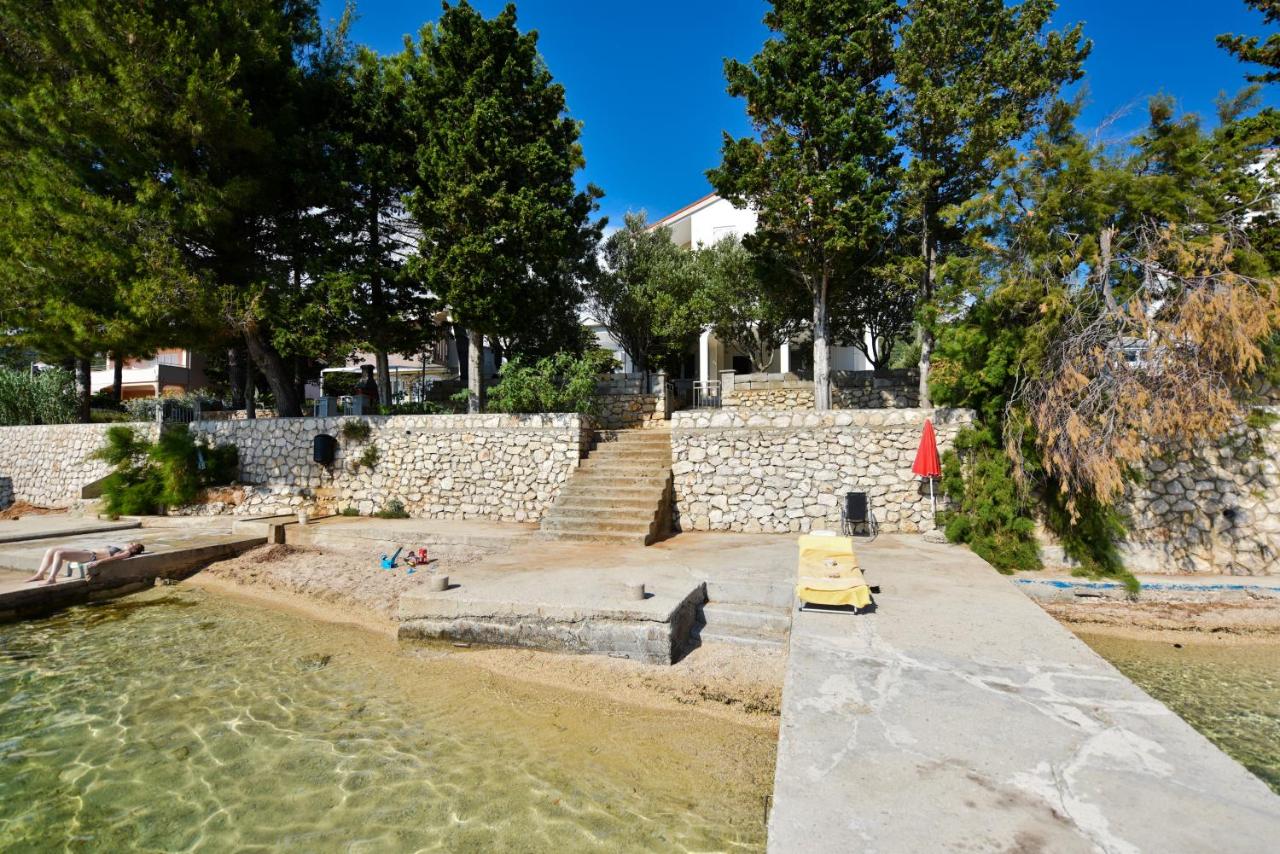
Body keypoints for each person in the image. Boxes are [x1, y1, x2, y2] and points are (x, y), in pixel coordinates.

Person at [26, 542, 145, 585]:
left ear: (134, 549)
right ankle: (40, 574)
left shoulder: (126, 553)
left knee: (60, 554)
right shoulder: (122, 549)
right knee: (51, 550)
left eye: (132, 543)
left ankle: (52, 578)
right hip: (87, 552)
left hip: (91, 556)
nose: (130, 543)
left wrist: (99, 562)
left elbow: (116, 559)